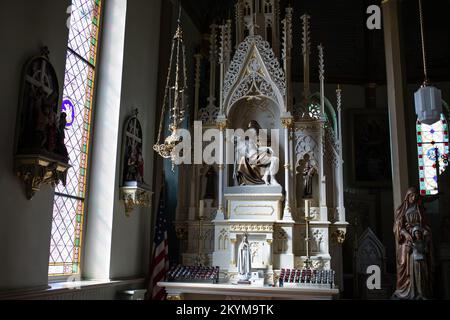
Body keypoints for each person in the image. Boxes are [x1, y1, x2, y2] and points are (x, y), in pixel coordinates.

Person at [392, 187, 433, 300]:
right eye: (411, 196)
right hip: (407, 243)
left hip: (419, 242)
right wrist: (405, 234)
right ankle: (405, 290)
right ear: (407, 197)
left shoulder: (420, 210)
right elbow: (397, 227)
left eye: (415, 196)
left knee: (421, 268)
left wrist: (425, 232)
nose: (413, 198)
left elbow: (426, 226)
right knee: (404, 266)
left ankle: (421, 292)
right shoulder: (401, 210)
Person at [234, 121, 279, 186]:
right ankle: (269, 178)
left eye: (254, 131)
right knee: (274, 159)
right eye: (250, 130)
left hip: (257, 156)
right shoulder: (247, 141)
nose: (253, 133)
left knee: (274, 159)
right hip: (253, 158)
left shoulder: (258, 139)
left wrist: (267, 148)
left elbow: (257, 149)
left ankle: (270, 178)